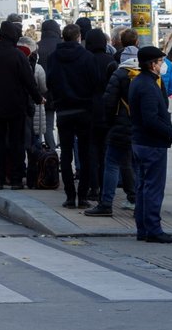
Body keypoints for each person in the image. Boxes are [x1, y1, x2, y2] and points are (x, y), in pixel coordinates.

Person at [0, 20, 43, 190]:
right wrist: (37, 98)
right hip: (16, 106)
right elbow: (28, 81)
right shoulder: (18, 56)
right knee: (17, 143)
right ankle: (16, 178)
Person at [46, 24, 100, 208]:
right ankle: (83, 196)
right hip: (84, 110)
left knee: (66, 155)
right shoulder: (87, 57)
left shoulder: (54, 58)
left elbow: (50, 81)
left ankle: (70, 196)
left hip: (63, 110)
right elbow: (95, 83)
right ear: (78, 37)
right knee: (85, 154)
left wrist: (57, 99)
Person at [129, 46, 172, 243]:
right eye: (160, 62)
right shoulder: (148, 86)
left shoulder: (139, 82)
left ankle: (144, 228)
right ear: (152, 64)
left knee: (143, 186)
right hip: (151, 143)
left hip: (141, 141)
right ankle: (153, 229)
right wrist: (169, 132)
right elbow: (151, 118)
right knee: (153, 187)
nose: (162, 65)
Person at [85, 44, 140, 217]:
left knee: (112, 164)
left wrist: (110, 123)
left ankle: (106, 203)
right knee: (134, 165)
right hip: (139, 128)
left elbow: (108, 102)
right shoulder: (147, 74)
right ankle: (137, 200)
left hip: (119, 127)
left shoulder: (119, 74)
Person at [85, 28, 118, 201]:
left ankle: (93, 186)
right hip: (108, 111)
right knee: (107, 151)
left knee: (92, 150)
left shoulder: (86, 60)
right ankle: (105, 186)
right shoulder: (110, 61)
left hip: (90, 111)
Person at [37, 19, 63, 150]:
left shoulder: (37, 47)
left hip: (43, 90)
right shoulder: (62, 45)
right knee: (63, 123)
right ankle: (62, 150)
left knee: (47, 123)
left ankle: (52, 149)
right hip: (62, 90)